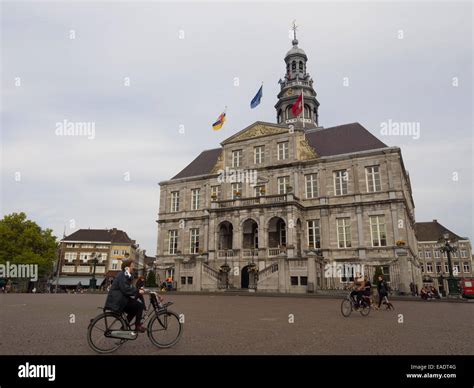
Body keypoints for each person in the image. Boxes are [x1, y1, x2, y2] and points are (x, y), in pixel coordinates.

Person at [104, 259, 146, 333]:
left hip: (120, 299)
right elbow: (125, 288)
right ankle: (137, 326)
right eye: (132, 266)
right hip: (118, 301)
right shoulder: (122, 275)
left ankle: (124, 327)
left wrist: (137, 290)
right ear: (127, 267)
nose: (133, 267)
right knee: (140, 305)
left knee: (134, 309)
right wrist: (137, 291)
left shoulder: (126, 275)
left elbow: (129, 287)